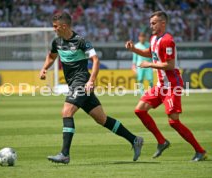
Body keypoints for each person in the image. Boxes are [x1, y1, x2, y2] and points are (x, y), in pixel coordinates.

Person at [39, 12, 143, 164]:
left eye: (55, 27)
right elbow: (52, 56)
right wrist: (44, 68)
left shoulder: (81, 41)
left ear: (64, 26)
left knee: (67, 111)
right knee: (102, 119)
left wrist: (91, 80)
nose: (53, 29)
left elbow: (95, 60)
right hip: (74, 84)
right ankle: (135, 140)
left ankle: (64, 154)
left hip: (81, 82)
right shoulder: (57, 42)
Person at [125, 11, 207, 161]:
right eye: (150, 23)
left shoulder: (168, 40)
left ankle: (200, 151)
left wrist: (149, 65)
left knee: (173, 122)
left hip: (172, 85)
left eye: (154, 23)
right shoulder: (154, 38)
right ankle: (162, 141)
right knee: (140, 110)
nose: (151, 26)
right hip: (160, 85)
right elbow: (149, 53)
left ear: (163, 23)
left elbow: (170, 65)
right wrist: (134, 50)